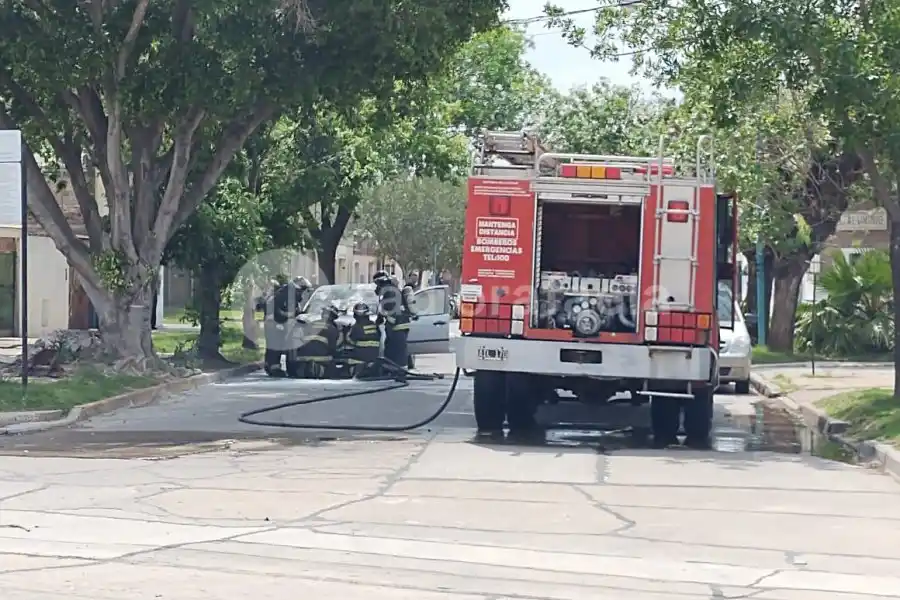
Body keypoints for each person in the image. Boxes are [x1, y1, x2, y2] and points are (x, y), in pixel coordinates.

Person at [375, 274, 411, 377]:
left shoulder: (389, 292)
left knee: (397, 349)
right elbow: (383, 310)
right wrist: (379, 320)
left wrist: (388, 328)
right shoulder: (392, 291)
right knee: (395, 348)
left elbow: (390, 312)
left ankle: (400, 371)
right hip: (402, 324)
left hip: (397, 326)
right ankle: (395, 369)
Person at [293, 305, 340, 378]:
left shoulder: (311, 324)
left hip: (302, 356)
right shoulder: (332, 328)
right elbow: (332, 348)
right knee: (333, 369)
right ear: (333, 317)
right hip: (320, 357)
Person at [344, 302, 381, 377]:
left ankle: (354, 371)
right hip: (374, 355)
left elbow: (350, 340)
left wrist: (345, 332)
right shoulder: (374, 325)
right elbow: (378, 336)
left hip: (361, 356)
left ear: (356, 315)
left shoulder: (356, 327)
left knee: (346, 358)